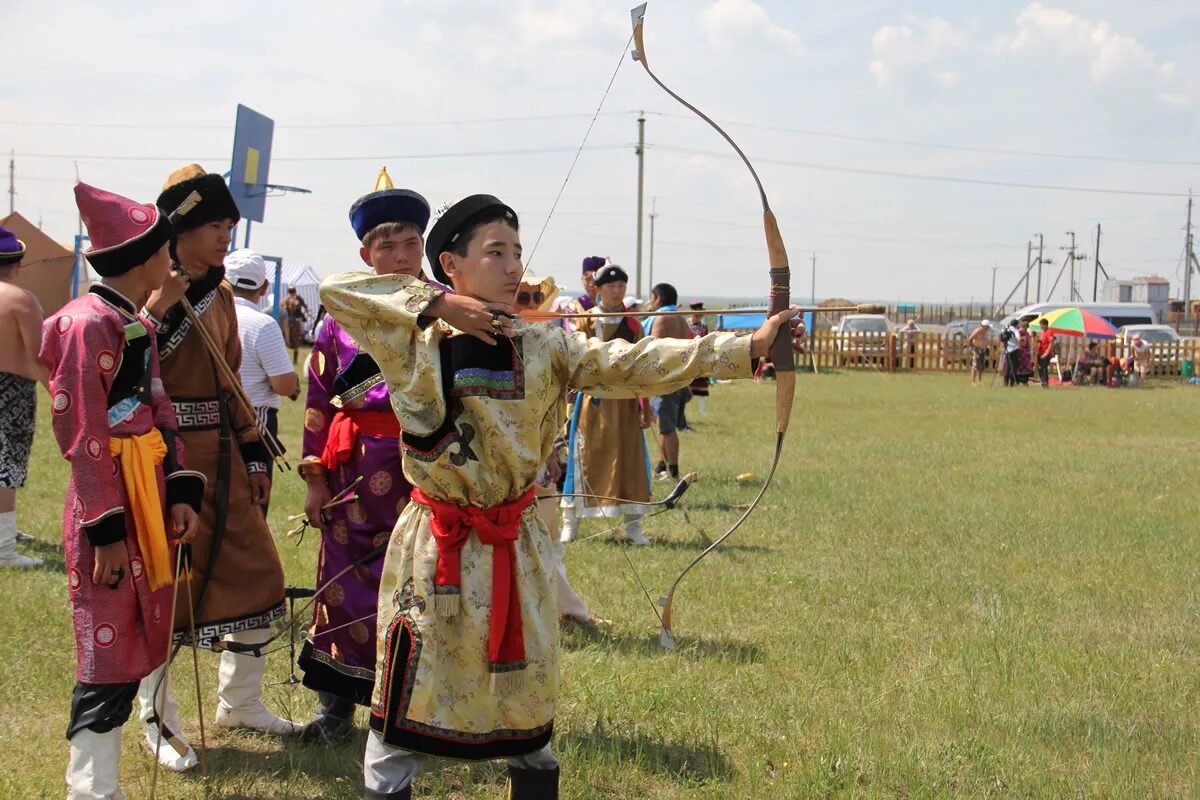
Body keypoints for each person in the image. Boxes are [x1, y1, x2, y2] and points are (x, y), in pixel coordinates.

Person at [319, 192, 804, 800]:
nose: (512, 266)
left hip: (517, 547)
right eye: (494, 252)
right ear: (451, 264)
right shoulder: (410, 338)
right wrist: (441, 305)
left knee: (528, 706)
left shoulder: (546, 346)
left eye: (517, 253)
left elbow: (634, 362)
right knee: (409, 700)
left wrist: (749, 347)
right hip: (435, 553)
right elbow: (336, 290)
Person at [41, 182, 205, 799]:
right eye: (166, 250)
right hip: (109, 501)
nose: (173, 261)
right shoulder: (87, 326)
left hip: (149, 494)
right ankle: (92, 789)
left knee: (148, 625)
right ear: (145, 259)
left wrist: (180, 491)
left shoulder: (132, 324)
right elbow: (83, 433)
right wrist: (104, 532)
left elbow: (158, 407)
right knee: (106, 647)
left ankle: (150, 734)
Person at [138, 164, 299, 772]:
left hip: (225, 456)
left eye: (228, 224)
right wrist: (160, 310)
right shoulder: (146, 287)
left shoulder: (226, 295)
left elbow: (235, 383)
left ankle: (242, 701)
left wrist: (255, 452)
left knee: (258, 573)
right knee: (166, 586)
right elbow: (123, 363)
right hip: (164, 455)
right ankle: (157, 715)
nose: (224, 234)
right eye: (211, 225)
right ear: (178, 231)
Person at [297, 172, 428, 744]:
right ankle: (337, 710)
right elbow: (319, 404)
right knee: (344, 586)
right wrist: (314, 479)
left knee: (423, 586)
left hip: (426, 468)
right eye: (386, 245)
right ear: (364, 254)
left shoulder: (445, 313)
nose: (399, 256)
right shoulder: (338, 318)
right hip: (351, 475)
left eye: (410, 244)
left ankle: (417, 708)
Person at [561, 263, 654, 546]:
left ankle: (633, 527)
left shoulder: (633, 324)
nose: (617, 291)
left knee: (631, 461)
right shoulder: (586, 320)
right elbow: (574, 356)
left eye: (622, 286)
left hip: (625, 403)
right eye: (612, 286)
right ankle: (570, 524)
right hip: (593, 403)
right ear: (598, 289)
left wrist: (645, 406)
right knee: (584, 458)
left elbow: (643, 366)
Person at [226, 248, 299, 512]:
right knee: (251, 512)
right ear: (265, 286)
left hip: (211, 421)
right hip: (254, 421)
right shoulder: (262, 324)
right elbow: (284, 386)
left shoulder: (210, 317)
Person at [0, 223, 48, 567]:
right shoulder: (21, 299)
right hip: (12, 390)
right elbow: (41, 355)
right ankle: (4, 548)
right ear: (18, 263)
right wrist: (62, 396)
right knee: (6, 465)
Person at [645, 283, 692, 482]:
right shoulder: (681, 319)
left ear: (658, 298)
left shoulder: (664, 318)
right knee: (665, 426)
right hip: (677, 378)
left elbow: (653, 348)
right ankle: (662, 466)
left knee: (667, 428)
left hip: (666, 380)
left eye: (651, 298)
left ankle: (673, 472)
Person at [563, 255, 603, 330]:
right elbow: (572, 335)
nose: (591, 284)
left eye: (595, 279)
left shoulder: (613, 306)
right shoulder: (574, 307)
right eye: (587, 279)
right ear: (582, 279)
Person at [687, 301, 711, 418]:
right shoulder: (685, 324)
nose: (699, 316)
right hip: (687, 357)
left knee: (701, 386)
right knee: (685, 385)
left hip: (700, 358)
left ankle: (702, 411)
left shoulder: (703, 326)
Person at [280, 285, 310, 364]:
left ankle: (292, 361)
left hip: (289, 323)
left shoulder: (286, 300)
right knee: (293, 341)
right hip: (294, 323)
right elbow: (305, 307)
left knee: (289, 341)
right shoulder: (291, 300)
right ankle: (293, 360)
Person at [965, 320, 992, 387]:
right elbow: (970, 338)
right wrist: (971, 346)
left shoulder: (985, 332)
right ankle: (973, 381)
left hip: (982, 350)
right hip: (977, 349)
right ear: (984, 326)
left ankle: (979, 380)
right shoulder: (978, 330)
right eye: (987, 326)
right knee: (975, 365)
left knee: (981, 365)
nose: (988, 328)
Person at [1035, 318, 1055, 387]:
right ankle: (1042, 380)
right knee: (1040, 367)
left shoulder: (1049, 332)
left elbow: (1051, 343)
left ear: (1045, 325)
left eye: (1041, 325)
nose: (1040, 326)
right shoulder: (1042, 332)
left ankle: (1045, 382)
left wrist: (1046, 353)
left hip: (1045, 352)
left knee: (1044, 367)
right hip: (1040, 352)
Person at [1001, 320, 1021, 387]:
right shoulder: (1015, 330)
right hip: (1014, 349)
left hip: (1007, 350)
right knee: (1014, 367)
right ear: (1016, 324)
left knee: (1008, 367)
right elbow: (1019, 338)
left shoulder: (1006, 329)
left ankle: (1005, 382)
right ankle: (1012, 383)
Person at [1015, 319, 1033, 385]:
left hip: (1026, 352)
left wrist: (1029, 350)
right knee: (1019, 366)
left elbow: (1028, 343)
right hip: (1020, 351)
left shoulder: (1027, 333)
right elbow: (1018, 341)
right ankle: (1018, 380)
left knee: (1026, 366)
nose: (1025, 329)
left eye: (1026, 327)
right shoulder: (1018, 332)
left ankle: (1025, 381)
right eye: (1024, 327)